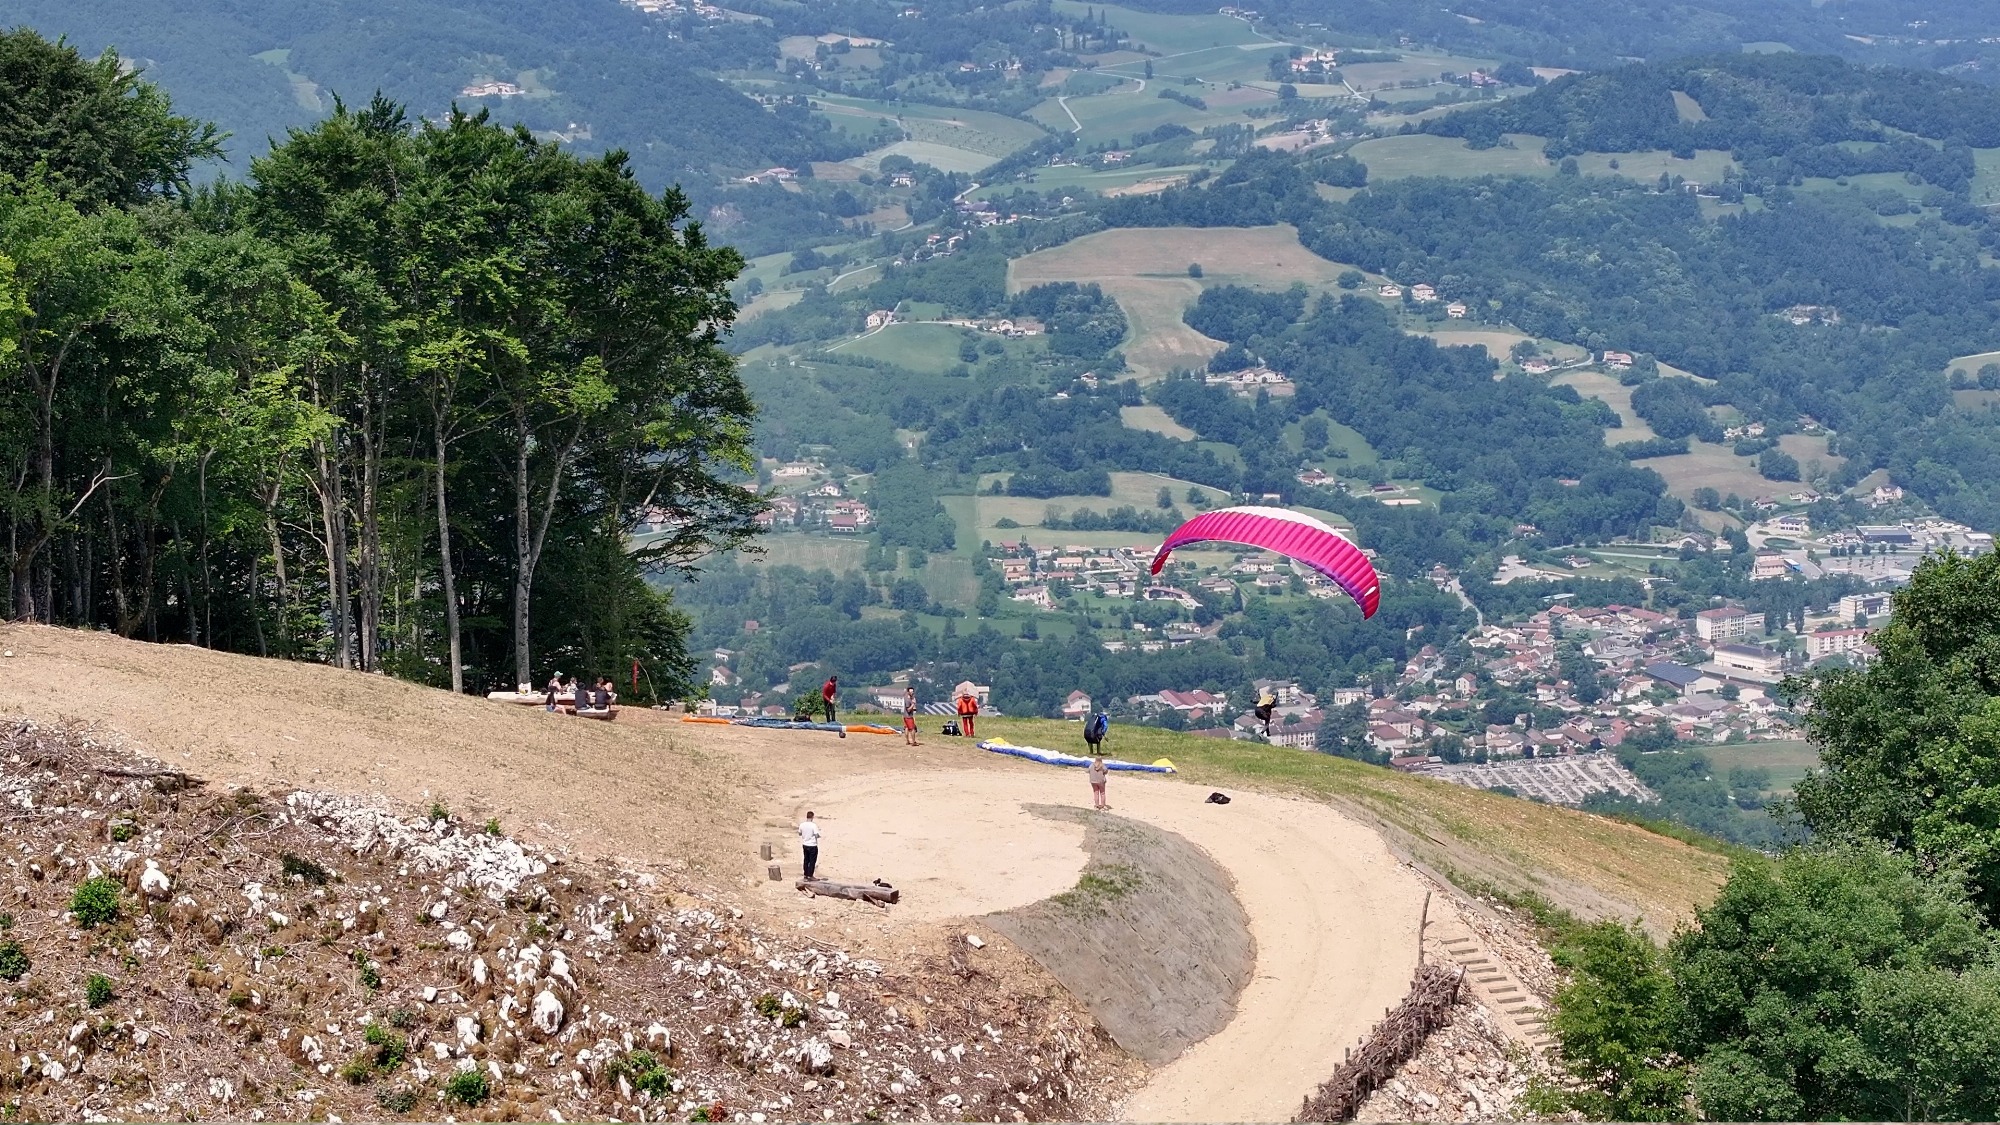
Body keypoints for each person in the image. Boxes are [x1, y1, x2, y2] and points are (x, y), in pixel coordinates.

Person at [799, 810, 821, 881]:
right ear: (812, 817)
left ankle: (805, 875)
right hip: (812, 845)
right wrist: (818, 836)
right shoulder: (813, 825)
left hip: (805, 844)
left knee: (806, 860)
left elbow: (799, 833)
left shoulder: (802, 825)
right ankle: (810, 875)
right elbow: (816, 834)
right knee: (812, 861)